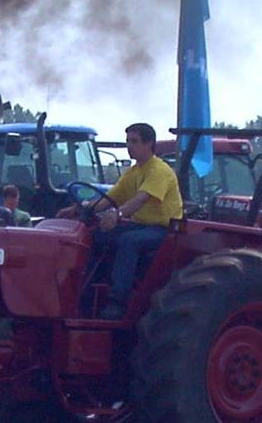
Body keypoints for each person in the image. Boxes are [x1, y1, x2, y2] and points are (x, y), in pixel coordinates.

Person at [58, 122, 183, 320]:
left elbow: (141, 198)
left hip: (163, 229)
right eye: (127, 141)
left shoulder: (159, 170)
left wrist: (118, 215)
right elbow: (110, 198)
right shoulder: (133, 172)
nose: (129, 146)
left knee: (129, 241)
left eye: (134, 141)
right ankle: (86, 294)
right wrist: (78, 209)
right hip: (140, 226)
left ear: (149, 143)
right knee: (96, 236)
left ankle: (117, 302)